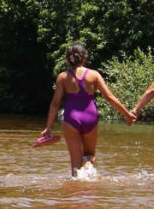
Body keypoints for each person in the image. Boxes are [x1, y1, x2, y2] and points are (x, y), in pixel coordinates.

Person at [41, 43, 135, 177]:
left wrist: (48, 127)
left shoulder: (62, 77)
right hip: (90, 117)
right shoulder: (94, 75)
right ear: (84, 58)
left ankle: (76, 192)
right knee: (90, 154)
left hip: (71, 119)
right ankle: (89, 165)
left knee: (75, 165)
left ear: (68, 59)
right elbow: (109, 97)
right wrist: (127, 115)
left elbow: (56, 103)